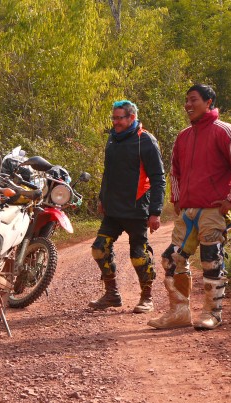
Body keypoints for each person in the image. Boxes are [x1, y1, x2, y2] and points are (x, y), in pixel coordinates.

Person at [148, 84, 231, 330]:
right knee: (171, 259)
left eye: (193, 100)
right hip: (188, 212)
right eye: (186, 100)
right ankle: (179, 313)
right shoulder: (184, 136)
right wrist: (177, 199)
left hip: (213, 211)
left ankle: (212, 314)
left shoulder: (225, 131)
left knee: (211, 260)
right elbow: (175, 172)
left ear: (209, 102)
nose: (188, 105)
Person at [89, 100, 166, 314]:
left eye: (119, 118)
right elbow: (108, 172)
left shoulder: (145, 140)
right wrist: (102, 198)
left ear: (132, 117)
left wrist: (155, 212)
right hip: (113, 209)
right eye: (113, 118)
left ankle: (147, 298)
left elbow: (158, 178)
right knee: (99, 249)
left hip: (137, 208)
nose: (115, 122)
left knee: (139, 255)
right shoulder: (112, 140)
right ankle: (111, 295)